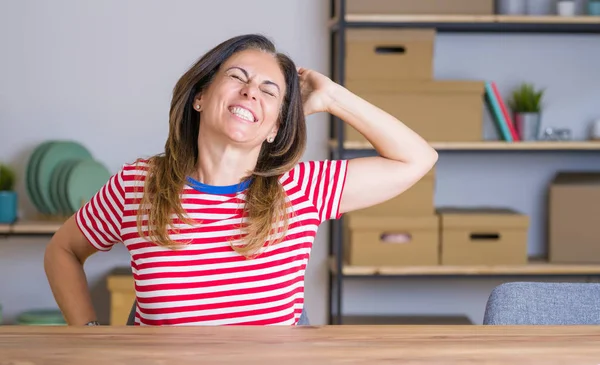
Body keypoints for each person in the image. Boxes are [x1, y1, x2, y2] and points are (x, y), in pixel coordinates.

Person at [44, 34, 438, 326]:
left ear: (274, 128)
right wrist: (88, 335)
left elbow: (417, 158)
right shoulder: (138, 185)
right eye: (237, 76)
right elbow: (62, 251)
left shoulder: (300, 190)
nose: (251, 92)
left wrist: (333, 98)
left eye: (270, 91)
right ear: (200, 96)